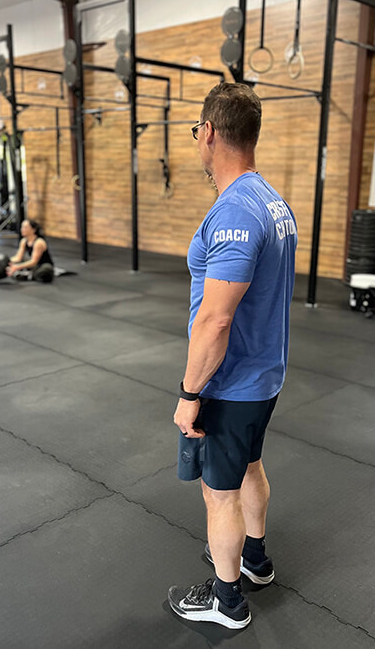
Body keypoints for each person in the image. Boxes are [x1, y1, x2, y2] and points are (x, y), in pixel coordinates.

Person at [168, 83, 297, 629]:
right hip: (265, 376)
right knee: (249, 467)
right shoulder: (272, 199)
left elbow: (216, 320)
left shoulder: (235, 213)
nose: (198, 140)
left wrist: (189, 394)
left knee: (218, 494)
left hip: (230, 382)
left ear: (210, 133)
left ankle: (226, 600)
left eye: (197, 131)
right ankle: (255, 560)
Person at [7, 219, 54, 283]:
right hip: (34, 266)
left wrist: (17, 267)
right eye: (22, 227)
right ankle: (29, 274)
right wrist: (7, 262)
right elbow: (18, 257)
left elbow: (34, 261)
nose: (22, 229)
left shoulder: (39, 242)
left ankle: (29, 275)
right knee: (23, 258)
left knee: (47, 269)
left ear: (33, 230)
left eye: (25, 227)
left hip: (42, 266)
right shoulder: (23, 241)